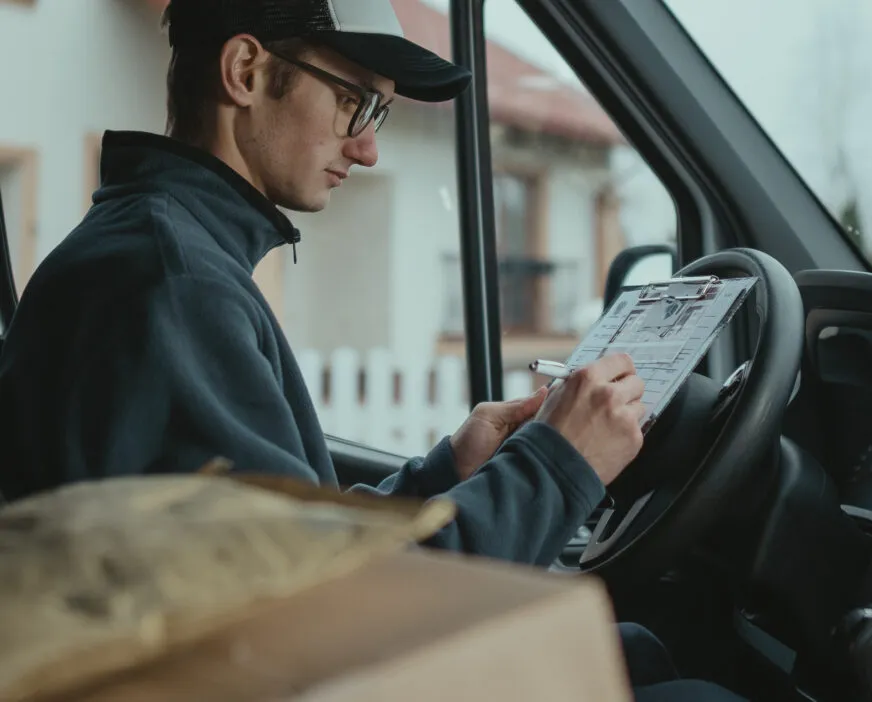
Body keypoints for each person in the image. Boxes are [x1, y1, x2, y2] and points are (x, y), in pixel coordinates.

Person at [0, 1, 745, 700]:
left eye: (377, 111)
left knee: (637, 651)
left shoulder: (166, 253)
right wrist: (558, 465)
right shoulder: (172, 286)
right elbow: (323, 621)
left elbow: (273, 562)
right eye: (354, 101)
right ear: (246, 73)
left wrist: (443, 473)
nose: (369, 146)